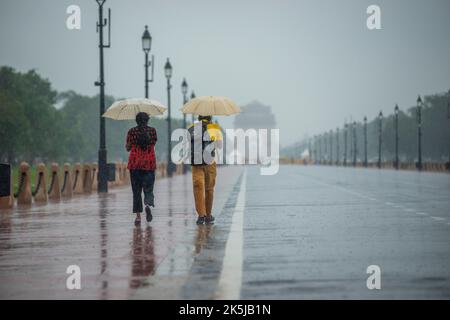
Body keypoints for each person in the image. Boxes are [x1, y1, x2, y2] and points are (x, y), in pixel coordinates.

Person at [188, 115, 223, 225]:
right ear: (210, 118)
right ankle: (208, 215)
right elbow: (220, 145)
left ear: (199, 118)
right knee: (209, 189)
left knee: (198, 187)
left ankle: (201, 215)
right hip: (210, 162)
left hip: (196, 162)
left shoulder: (191, 127)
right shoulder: (214, 128)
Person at [126, 112, 157, 226]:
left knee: (136, 191)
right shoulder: (152, 131)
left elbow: (128, 148)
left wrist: (131, 145)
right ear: (147, 120)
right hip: (149, 163)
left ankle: (138, 217)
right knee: (148, 189)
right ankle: (148, 205)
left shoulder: (131, 132)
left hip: (135, 164)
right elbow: (153, 143)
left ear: (136, 120)